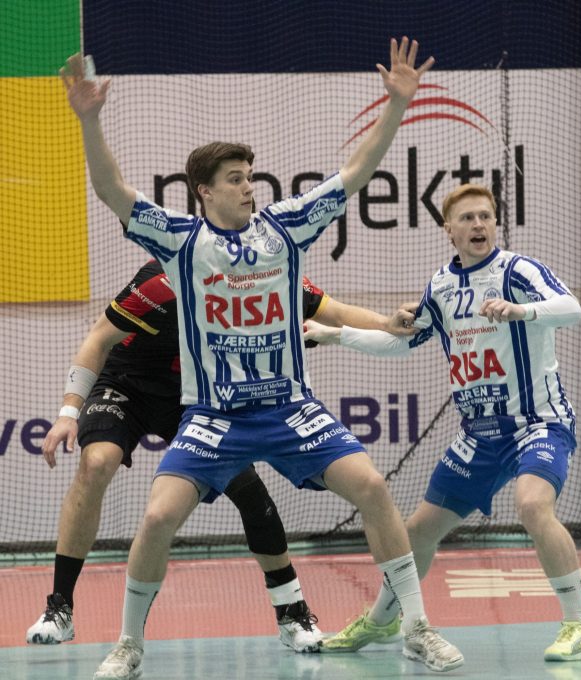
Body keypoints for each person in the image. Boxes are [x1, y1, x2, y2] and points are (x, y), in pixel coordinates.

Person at [61, 37, 464, 680]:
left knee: (372, 487)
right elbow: (112, 189)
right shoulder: (181, 242)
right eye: (235, 179)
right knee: (159, 515)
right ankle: (129, 644)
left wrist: (396, 106)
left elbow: (355, 174)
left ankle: (417, 627)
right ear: (204, 191)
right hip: (214, 415)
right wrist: (89, 119)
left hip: (288, 407)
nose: (249, 187)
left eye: (251, 176)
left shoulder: (285, 228)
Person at [27, 261, 406, 654]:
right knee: (96, 463)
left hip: (195, 396)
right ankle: (60, 607)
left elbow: (334, 312)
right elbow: (98, 338)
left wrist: (387, 323)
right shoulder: (162, 281)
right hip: (127, 385)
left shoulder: (266, 272)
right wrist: (68, 413)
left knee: (248, 488)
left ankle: (292, 612)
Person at [305, 183, 581, 663]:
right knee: (418, 532)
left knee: (532, 505)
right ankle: (383, 619)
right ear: (449, 230)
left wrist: (521, 310)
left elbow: (572, 308)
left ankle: (579, 625)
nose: (479, 224)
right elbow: (402, 341)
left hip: (536, 424)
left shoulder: (518, 271)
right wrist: (336, 335)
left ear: (495, 224)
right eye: (467, 218)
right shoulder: (441, 286)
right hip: (478, 435)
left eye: (486, 216)